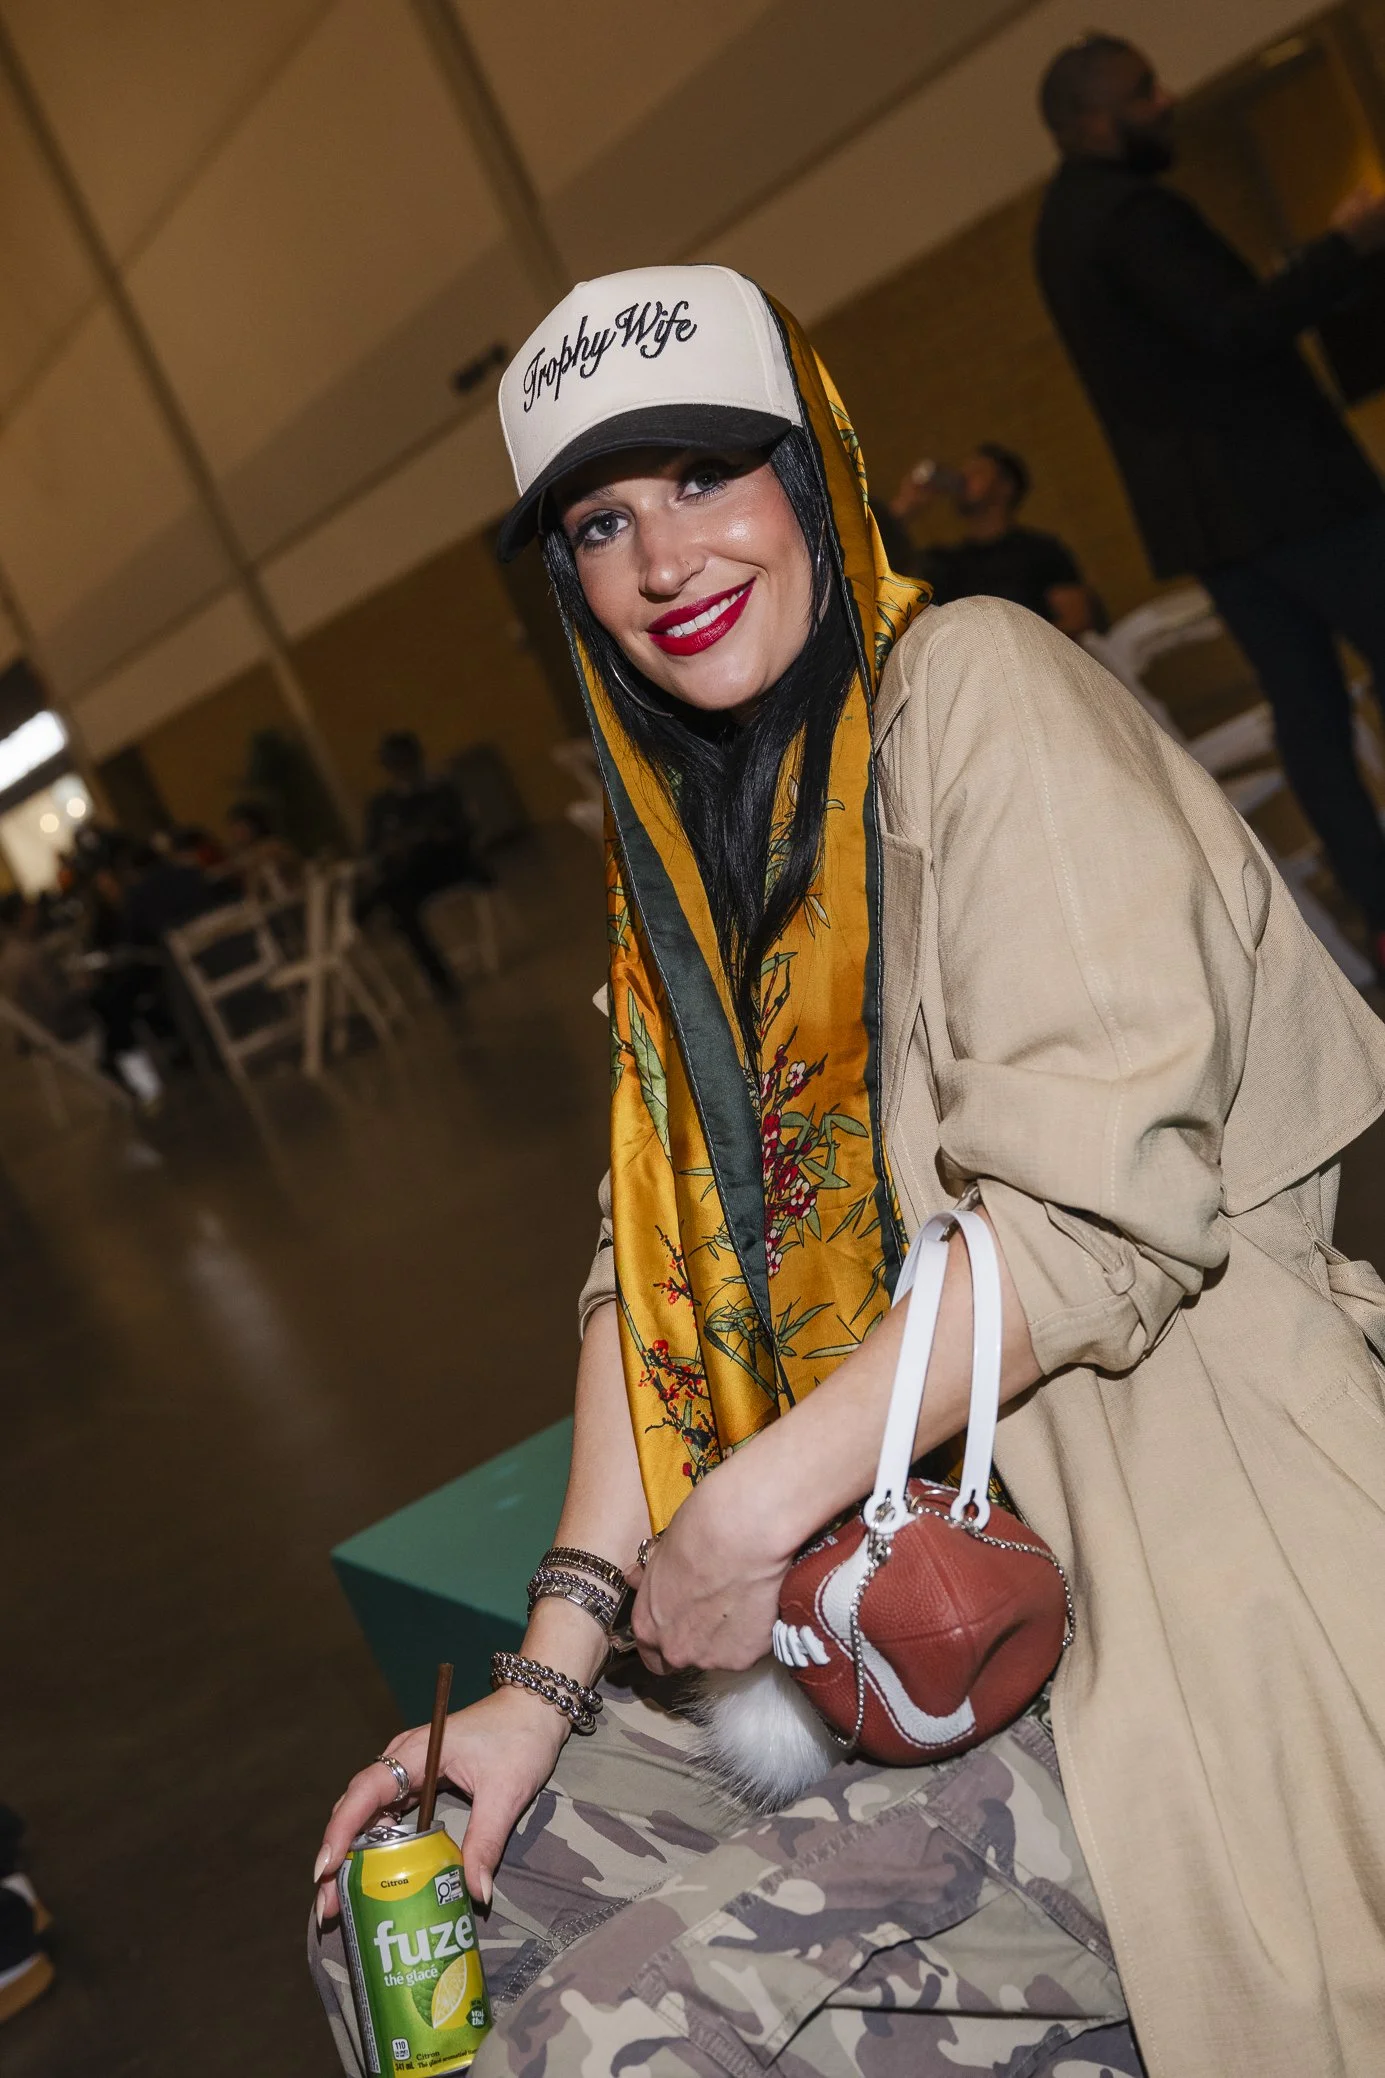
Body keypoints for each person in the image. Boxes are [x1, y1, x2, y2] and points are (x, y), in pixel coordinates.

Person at [310, 265, 1385, 2077]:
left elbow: (1091, 1218)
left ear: (812, 471)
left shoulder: (979, 687)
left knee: (612, 2038)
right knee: (402, 1911)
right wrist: (541, 1681)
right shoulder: (692, 849)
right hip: (851, 1616)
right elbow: (646, 1275)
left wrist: (741, 1514)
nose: (664, 559)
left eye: (705, 474)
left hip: (1145, 1591)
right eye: (600, 523)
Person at [1034, 34, 1385, 960]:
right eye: (1142, 91)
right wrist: (1345, 246)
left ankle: (1379, 911)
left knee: (1307, 711)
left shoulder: (1058, 230)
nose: (1166, 99)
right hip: (1289, 492)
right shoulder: (1130, 213)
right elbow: (1237, 329)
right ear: (1091, 122)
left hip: (1211, 523)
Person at [876, 442, 1101, 634]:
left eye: (978, 472)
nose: (964, 477)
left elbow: (1077, 621)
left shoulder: (1040, 550)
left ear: (1005, 487)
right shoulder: (942, 562)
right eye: (964, 471)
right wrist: (904, 507)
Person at [359, 731, 489, 1002]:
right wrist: (391, 849)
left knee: (393, 894)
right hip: (407, 876)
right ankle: (438, 977)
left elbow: (464, 830)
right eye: (394, 764)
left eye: (404, 762)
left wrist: (432, 837)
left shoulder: (441, 791)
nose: (401, 770)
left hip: (446, 865)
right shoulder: (382, 804)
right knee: (399, 900)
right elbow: (371, 847)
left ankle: (369, 906)